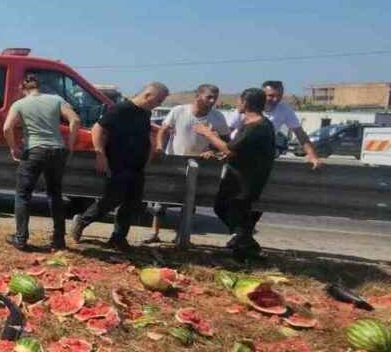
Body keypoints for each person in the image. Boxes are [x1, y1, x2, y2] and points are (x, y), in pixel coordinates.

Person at [71, 83, 169, 251]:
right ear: (147, 96)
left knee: (133, 202)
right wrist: (100, 154)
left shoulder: (145, 113)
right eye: (158, 100)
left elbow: (144, 136)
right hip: (118, 162)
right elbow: (97, 128)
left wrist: (149, 155)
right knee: (113, 198)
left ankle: (119, 238)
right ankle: (83, 220)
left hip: (136, 165)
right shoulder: (122, 109)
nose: (158, 104)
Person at [195, 87, 276, 262]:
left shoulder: (256, 127)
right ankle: (248, 247)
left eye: (239, 100)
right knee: (228, 210)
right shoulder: (256, 124)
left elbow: (229, 149)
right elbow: (240, 150)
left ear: (245, 103)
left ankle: (242, 247)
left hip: (244, 181)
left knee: (231, 211)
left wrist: (207, 134)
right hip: (240, 177)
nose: (237, 103)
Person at [2, 74, 80, 251]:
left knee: (23, 195)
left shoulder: (20, 104)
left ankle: (21, 238)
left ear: (23, 90)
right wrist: (70, 144)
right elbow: (75, 120)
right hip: (57, 151)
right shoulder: (56, 100)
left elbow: (7, 128)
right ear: (40, 87)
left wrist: (14, 148)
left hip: (34, 151)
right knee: (55, 195)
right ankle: (59, 240)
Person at [145, 84, 228, 243]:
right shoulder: (179, 111)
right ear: (197, 96)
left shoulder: (217, 116)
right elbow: (163, 130)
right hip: (174, 161)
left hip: (198, 164)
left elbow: (225, 141)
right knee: (161, 200)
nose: (212, 101)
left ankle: (181, 235)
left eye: (215, 98)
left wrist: (213, 151)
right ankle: (155, 233)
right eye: (209, 97)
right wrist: (160, 147)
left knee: (189, 202)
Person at [227, 80, 321, 170]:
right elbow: (228, 131)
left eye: (279, 95)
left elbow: (300, 133)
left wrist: (312, 156)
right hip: (236, 149)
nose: (276, 99)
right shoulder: (248, 106)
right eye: (271, 95)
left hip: (258, 154)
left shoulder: (284, 109)